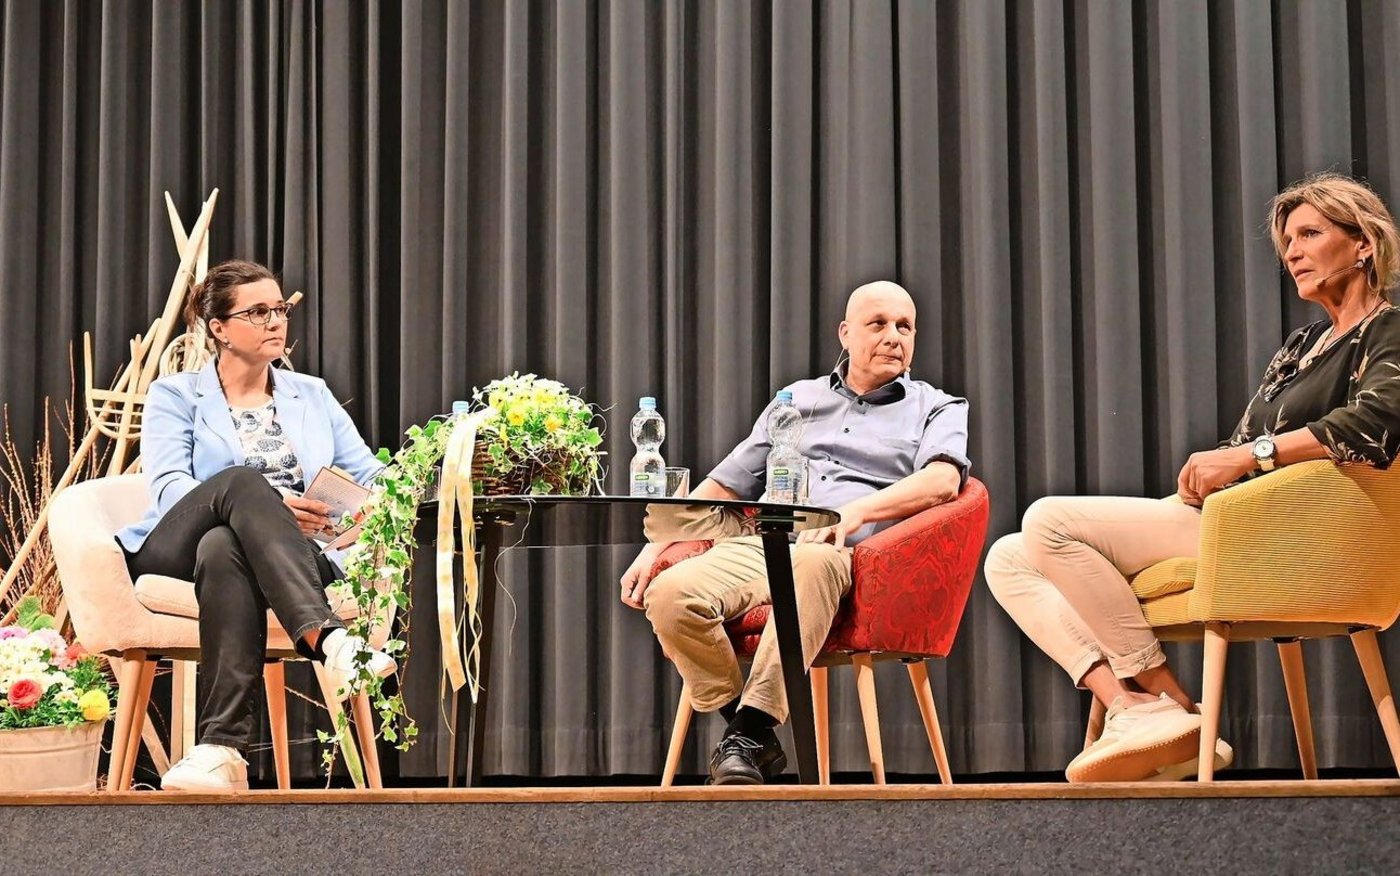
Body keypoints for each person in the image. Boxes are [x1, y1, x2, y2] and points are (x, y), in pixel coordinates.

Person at [985, 172, 1400, 782]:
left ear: (1363, 242)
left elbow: (1376, 422)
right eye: (1287, 241)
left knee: (1049, 521)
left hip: (1295, 537)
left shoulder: (1388, 330)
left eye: (1310, 234)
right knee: (1010, 558)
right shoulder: (1303, 344)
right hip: (1233, 517)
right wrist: (1216, 467)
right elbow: (1243, 443)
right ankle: (1139, 707)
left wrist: (1247, 457)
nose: (1292, 252)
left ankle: (1170, 708)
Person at [620, 280, 971, 785]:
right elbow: (723, 484)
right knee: (670, 593)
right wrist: (655, 546)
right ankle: (746, 736)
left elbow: (943, 482)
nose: (894, 336)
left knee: (811, 562)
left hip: (851, 555)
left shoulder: (936, 406)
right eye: (878, 324)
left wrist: (850, 515)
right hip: (763, 543)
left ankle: (751, 727)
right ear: (845, 334)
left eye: (905, 326)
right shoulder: (796, 401)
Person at [116, 259, 395, 791]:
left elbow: (374, 477)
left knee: (226, 547)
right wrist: (266, 504)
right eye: (259, 311)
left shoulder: (311, 394)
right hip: (178, 543)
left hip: (283, 556)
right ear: (218, 329)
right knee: (242, 487)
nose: (276, 321)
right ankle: (328, 638)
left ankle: (220, 750)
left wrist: (354, 510)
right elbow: (170, 485)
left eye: (281, 309)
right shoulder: (175, 395)